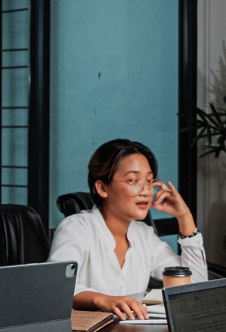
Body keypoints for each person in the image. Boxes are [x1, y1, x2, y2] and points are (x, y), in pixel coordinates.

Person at [48, 138, 207, 321]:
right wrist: (104, 300)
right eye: (133, 180)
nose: (146, 191)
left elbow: (195, 285)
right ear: (102, 188)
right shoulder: (76, 229)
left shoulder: (144, 235)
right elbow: (56, 288)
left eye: (149, 181)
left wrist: (185, 217)